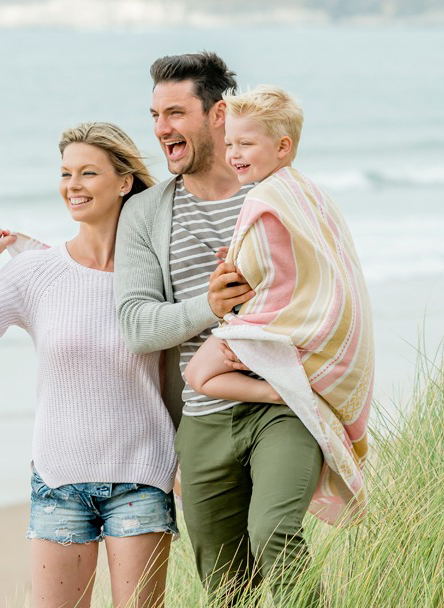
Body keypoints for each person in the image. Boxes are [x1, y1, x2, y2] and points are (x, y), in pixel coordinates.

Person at [0, 122, 177, 608]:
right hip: (59, 479)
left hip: (142, 474)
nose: (72, 186)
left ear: (124, 182)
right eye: (65, 174)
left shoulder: (156, 273)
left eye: (87, 173)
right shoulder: (35, 272)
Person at [114, 53, 328, 605]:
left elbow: (329, 289)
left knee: (276, 536)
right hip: (202, 420)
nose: (161, 128)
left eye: (176, 112)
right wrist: (209, 306)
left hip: (279, 403)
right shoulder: (146, 213)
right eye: (156, 114)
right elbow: (136, 325)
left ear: (219, 113)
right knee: (227, 586)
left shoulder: (279, 193)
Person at [185, 84, 373, 530]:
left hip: (279, 328)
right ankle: (284, 390)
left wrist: (232, 273)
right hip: (306, 323)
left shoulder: (263, 197)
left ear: (282, 146)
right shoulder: (307, 192)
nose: (233, 153)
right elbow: (307, 264)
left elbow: (248, 275)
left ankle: (279, 391)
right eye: (229, 143)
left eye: (246, 143)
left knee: (199, 374)